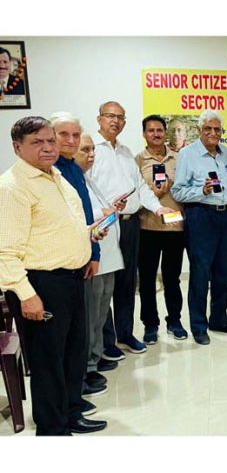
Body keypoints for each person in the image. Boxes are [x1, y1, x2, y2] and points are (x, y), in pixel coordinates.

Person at [0, 116, 107, 435]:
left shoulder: (56, 174)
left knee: (73, 354)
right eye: (37, 142)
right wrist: (26, 294)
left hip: (72, 279)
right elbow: (5, 251)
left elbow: (59, 223)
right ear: (17, 147)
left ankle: (71, 412)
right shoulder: (12, 187)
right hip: (41, 284)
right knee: (47, 362)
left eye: (50, 140)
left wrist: (87, 234)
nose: (47, 147)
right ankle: (52, 429)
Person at [88, 101, 174, 358]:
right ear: (99, 119)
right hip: (104, 225)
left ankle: (125, 333)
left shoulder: (126, 153)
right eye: (110, 116)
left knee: (127, 283)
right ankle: (105, 342)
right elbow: (87, 189)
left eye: (120, 117)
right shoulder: (91, 149)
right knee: (103, 286)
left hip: (131, 224)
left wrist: (158, 208)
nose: (115, 121)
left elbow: (141, 188)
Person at [49, 112, 107, 398]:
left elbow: (85, 216)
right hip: (56, 266)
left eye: (76, 135)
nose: (71, 141)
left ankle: (76, 390)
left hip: (82, 256)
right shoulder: (49, 170)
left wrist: (94, 252)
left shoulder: (72, 168)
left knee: (78, 332)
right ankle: (69, 397)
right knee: (63, 338)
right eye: (64, 135)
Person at [171, 110, 227, 345]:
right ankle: (199, 326)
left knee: (224, 271)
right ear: (200, 130)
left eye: (217, 129)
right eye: (208, 129)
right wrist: (202, 191)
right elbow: (177, 191)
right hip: (201, 216)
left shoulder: (225, 153)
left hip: (226, 217)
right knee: (200, 273)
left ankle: (218, 319)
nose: (213, 133)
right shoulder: (188, 154)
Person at [73, 133, 124, 405]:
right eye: (85, 150)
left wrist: (111, 209)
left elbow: (98, 212)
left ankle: (96, 357)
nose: (91, 155)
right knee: (91, 313)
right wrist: (103, 215)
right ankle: (88, 367)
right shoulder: (70, 179)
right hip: (91, 256)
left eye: (93, 149)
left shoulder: (87, 179)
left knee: (102, 309)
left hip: (107, 253)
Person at [135, 115, 187, 343]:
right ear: (144, 134)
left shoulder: (179, 157)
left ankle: (174, 320)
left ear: (165, 132)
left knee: (172, 278)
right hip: (147, 227)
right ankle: (150, 324)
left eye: (159, 130)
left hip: (175, 228)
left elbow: (187, 187)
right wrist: (154, 195)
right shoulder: (137, 160)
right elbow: (133, 193)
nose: (155, 134)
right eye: (150, 130)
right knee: (147, 279)